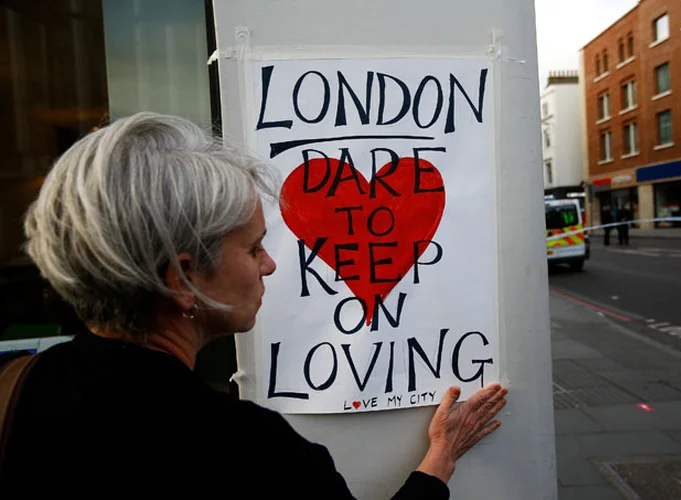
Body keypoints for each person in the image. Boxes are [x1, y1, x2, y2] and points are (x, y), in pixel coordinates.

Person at [0, 113, 508, 498]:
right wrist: (440, 458)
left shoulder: (17, 388)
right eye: (252, 247)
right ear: (182, 278)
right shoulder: (251, 454)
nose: (269, 265)